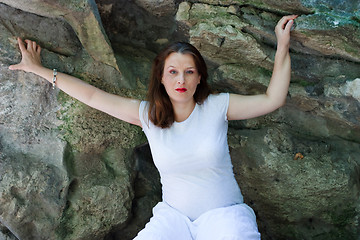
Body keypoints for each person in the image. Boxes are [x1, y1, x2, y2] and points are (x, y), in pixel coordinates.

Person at [9, 14, 297, 240]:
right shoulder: (148, 115)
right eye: (172, 72)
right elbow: (93, 96)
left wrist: (282, 46)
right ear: (161, 78)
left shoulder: (217, 106)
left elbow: (273, 98)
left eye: (189, 72)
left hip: (224, 217)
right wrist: (39, 69)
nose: (180, 80)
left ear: (199, 78)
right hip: (174, 221)